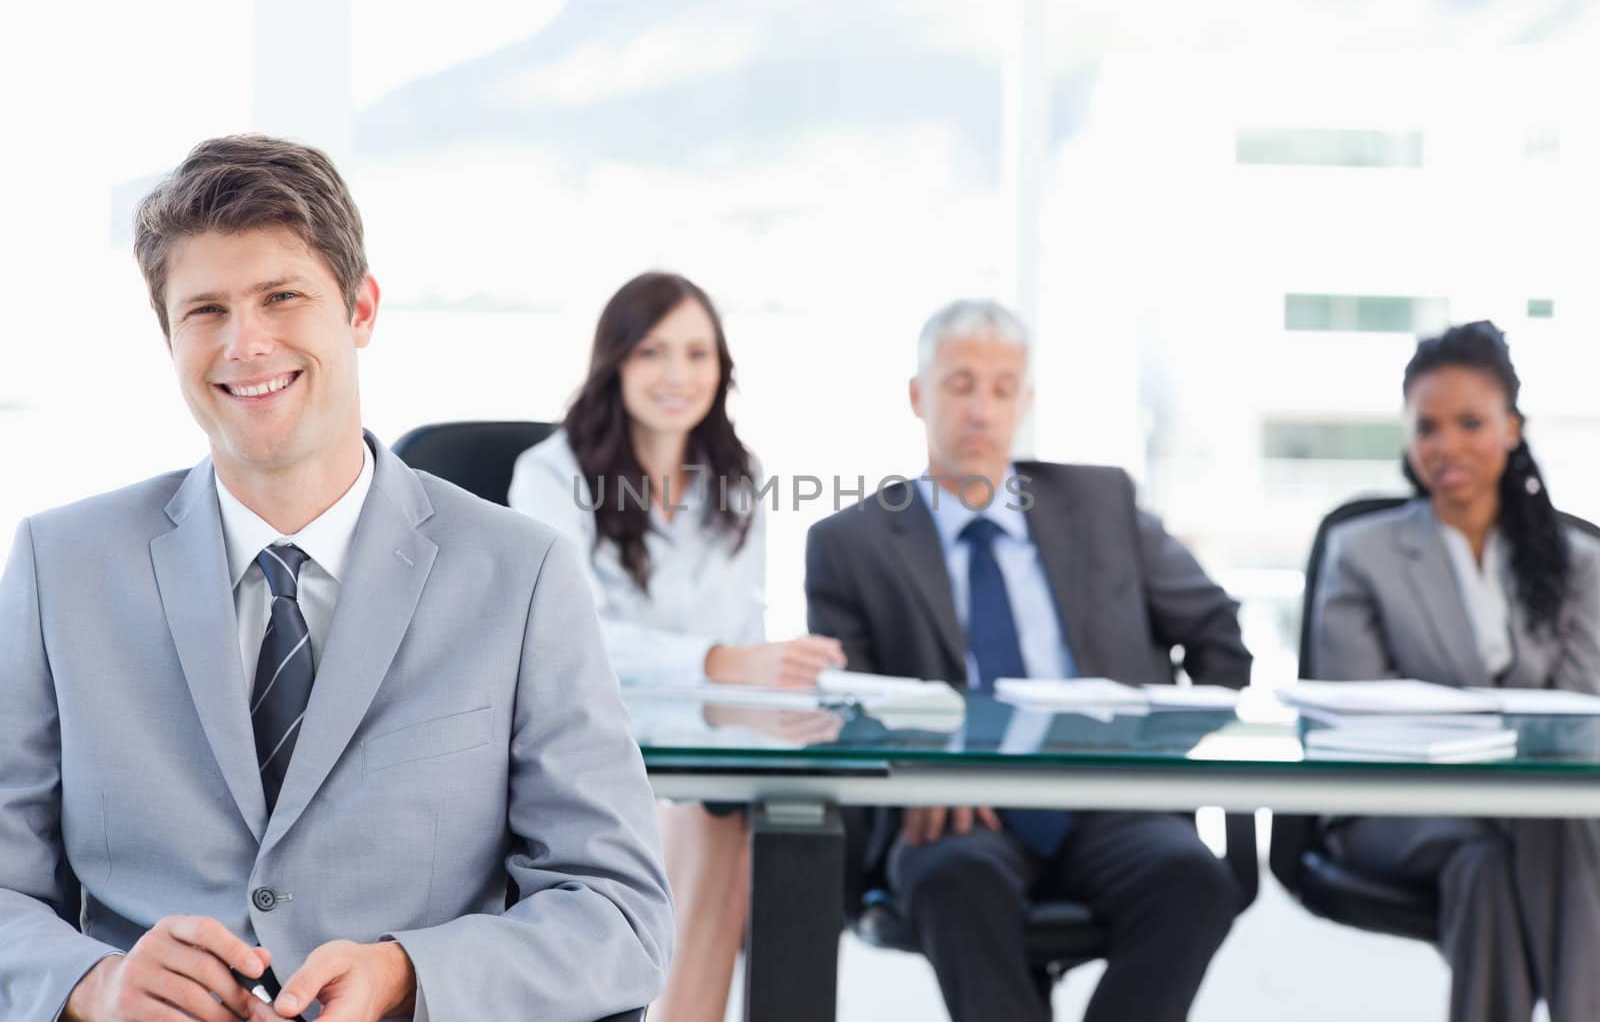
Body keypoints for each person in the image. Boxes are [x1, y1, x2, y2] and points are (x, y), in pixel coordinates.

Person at [0, 135, 673, 1022]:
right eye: (206, 310)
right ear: (168, 334)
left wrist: (410, 975)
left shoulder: (522, 575)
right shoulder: (64, 567)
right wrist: (91, 984)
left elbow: (620, 919)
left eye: (282, 296)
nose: (246, 343)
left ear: (360, 309)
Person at [804, 299, 1249, 1022]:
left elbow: (1218, 636)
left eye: (1003, 387)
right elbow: (845, 702)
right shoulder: (851, 544)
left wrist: (1158, 757)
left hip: (1110, 797)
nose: (982, 407)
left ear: (1026, 401)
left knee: (1193, 879)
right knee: (954, 880)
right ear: (918, 395)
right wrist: (921, 773)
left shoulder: (1101, 501)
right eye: (959, 384)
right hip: (955, 811)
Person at [508, 270, 843, 1022]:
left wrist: (776, 668)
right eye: (654, 352)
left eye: (698, 354)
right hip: (575, 741)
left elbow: (741, 630)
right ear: (615, 362)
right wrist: (722, 664)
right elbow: (565, 641)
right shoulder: (550, 475)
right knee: (718, 815)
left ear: (722, 369)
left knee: (771, 816)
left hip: (700, 750)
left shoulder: (738, 478)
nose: (678, 375)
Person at [1310, 320, 1600, 1022]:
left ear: (1512, 428)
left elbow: (1584, 711)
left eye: (1470, 422)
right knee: (1550, 830)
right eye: (1427, 427)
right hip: (1400, 805)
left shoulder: (1577, 559)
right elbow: (1357, 719)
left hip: (1534, 812)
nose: (1447, 446)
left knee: (1490, 865)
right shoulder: (1361, 552)